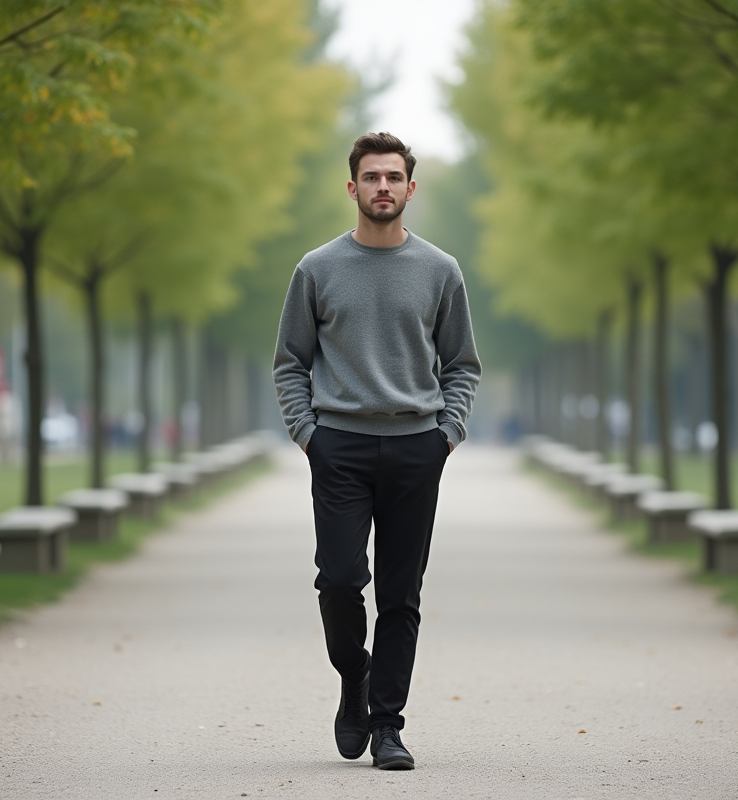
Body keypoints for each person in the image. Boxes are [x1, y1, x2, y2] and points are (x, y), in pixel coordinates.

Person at [272, 132, 481, 770]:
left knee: (401, 594)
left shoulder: (440, 270)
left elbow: (463, 365)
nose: (383, 187)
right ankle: (354, 673)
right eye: (371, 177)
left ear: (410, 188)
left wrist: (447, 433)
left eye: (394, 177)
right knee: (338, 581)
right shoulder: (317, 269)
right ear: (353, 187)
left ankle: (388, 727)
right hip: (339, 447)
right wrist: (309, 435)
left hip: (418, 446)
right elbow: (289, 364)